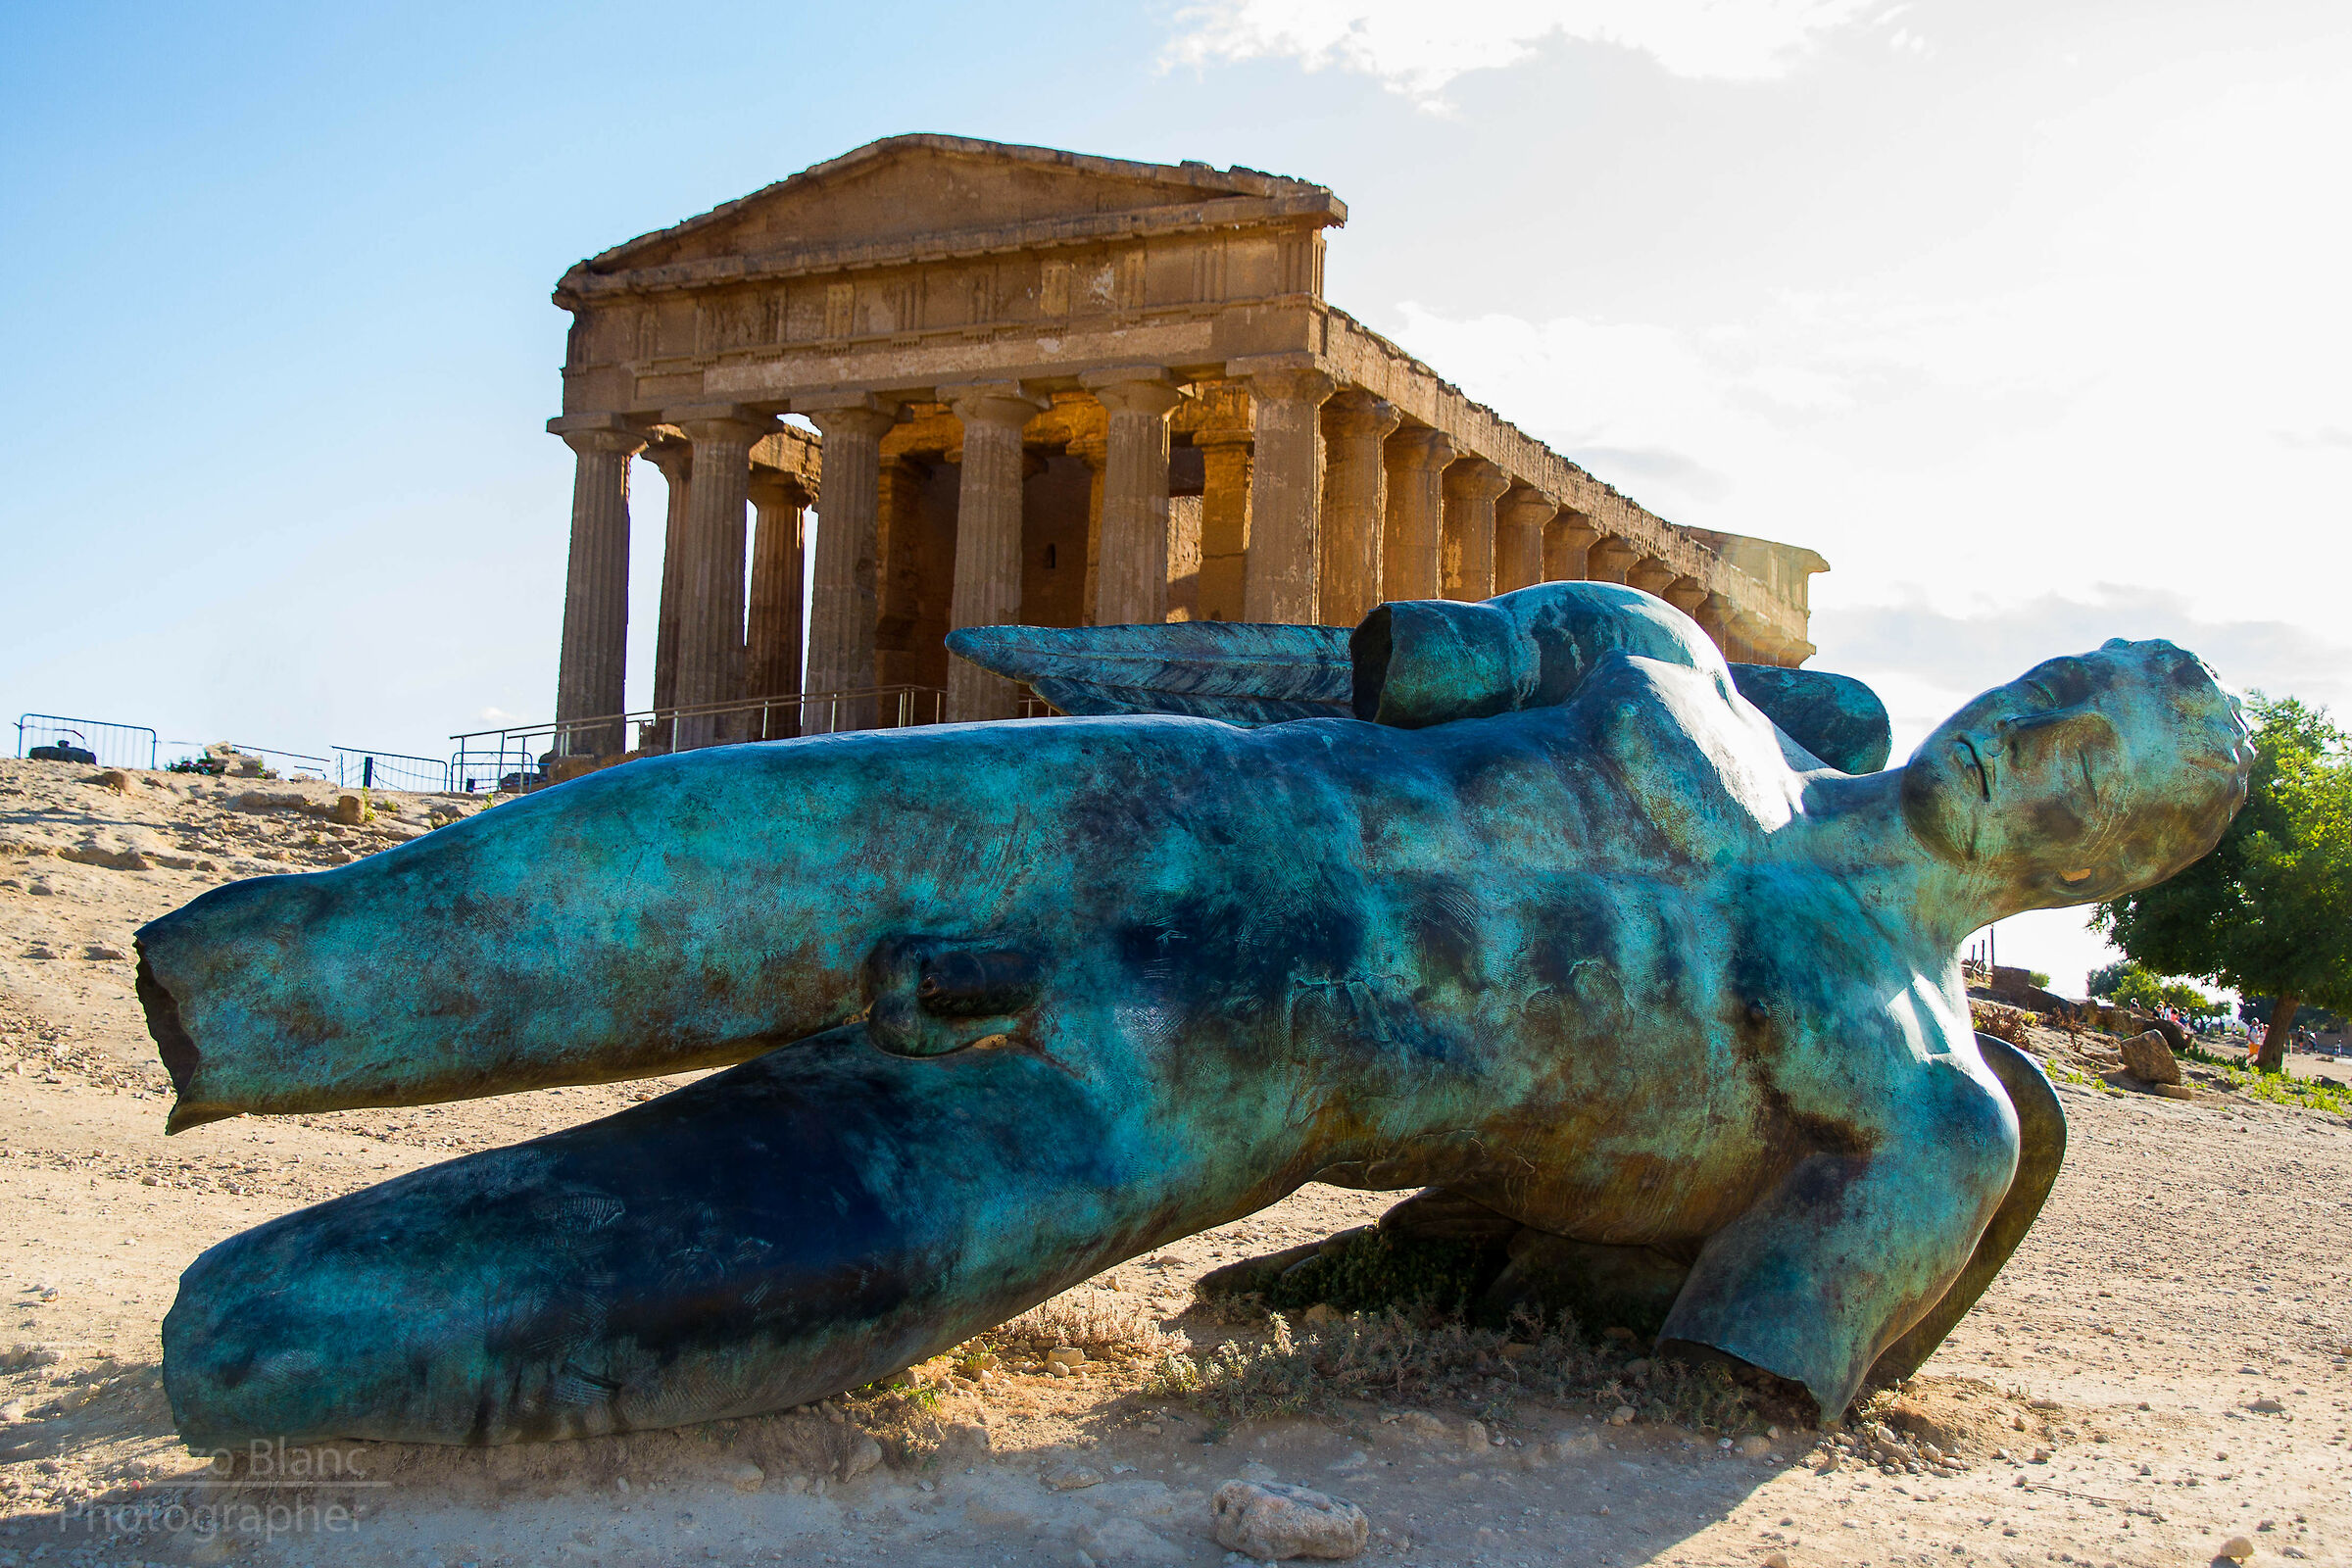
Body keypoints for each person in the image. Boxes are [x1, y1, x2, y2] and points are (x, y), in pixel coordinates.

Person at [141, 583, 2253, 1449]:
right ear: (2010, 680)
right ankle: (235, 1001)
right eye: (2060, 699)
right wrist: (1091, 663)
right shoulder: (1655, 657)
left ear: (2120, 869)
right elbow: (1340, 672)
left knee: (299, 1338)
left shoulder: (1920, 1104)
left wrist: (1431, 1295)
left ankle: (255, 1325)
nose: (2044, 750)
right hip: (1133, 806)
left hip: (1194, 1083)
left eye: (2106, 777)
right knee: (569, 882)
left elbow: (1732, 1377)